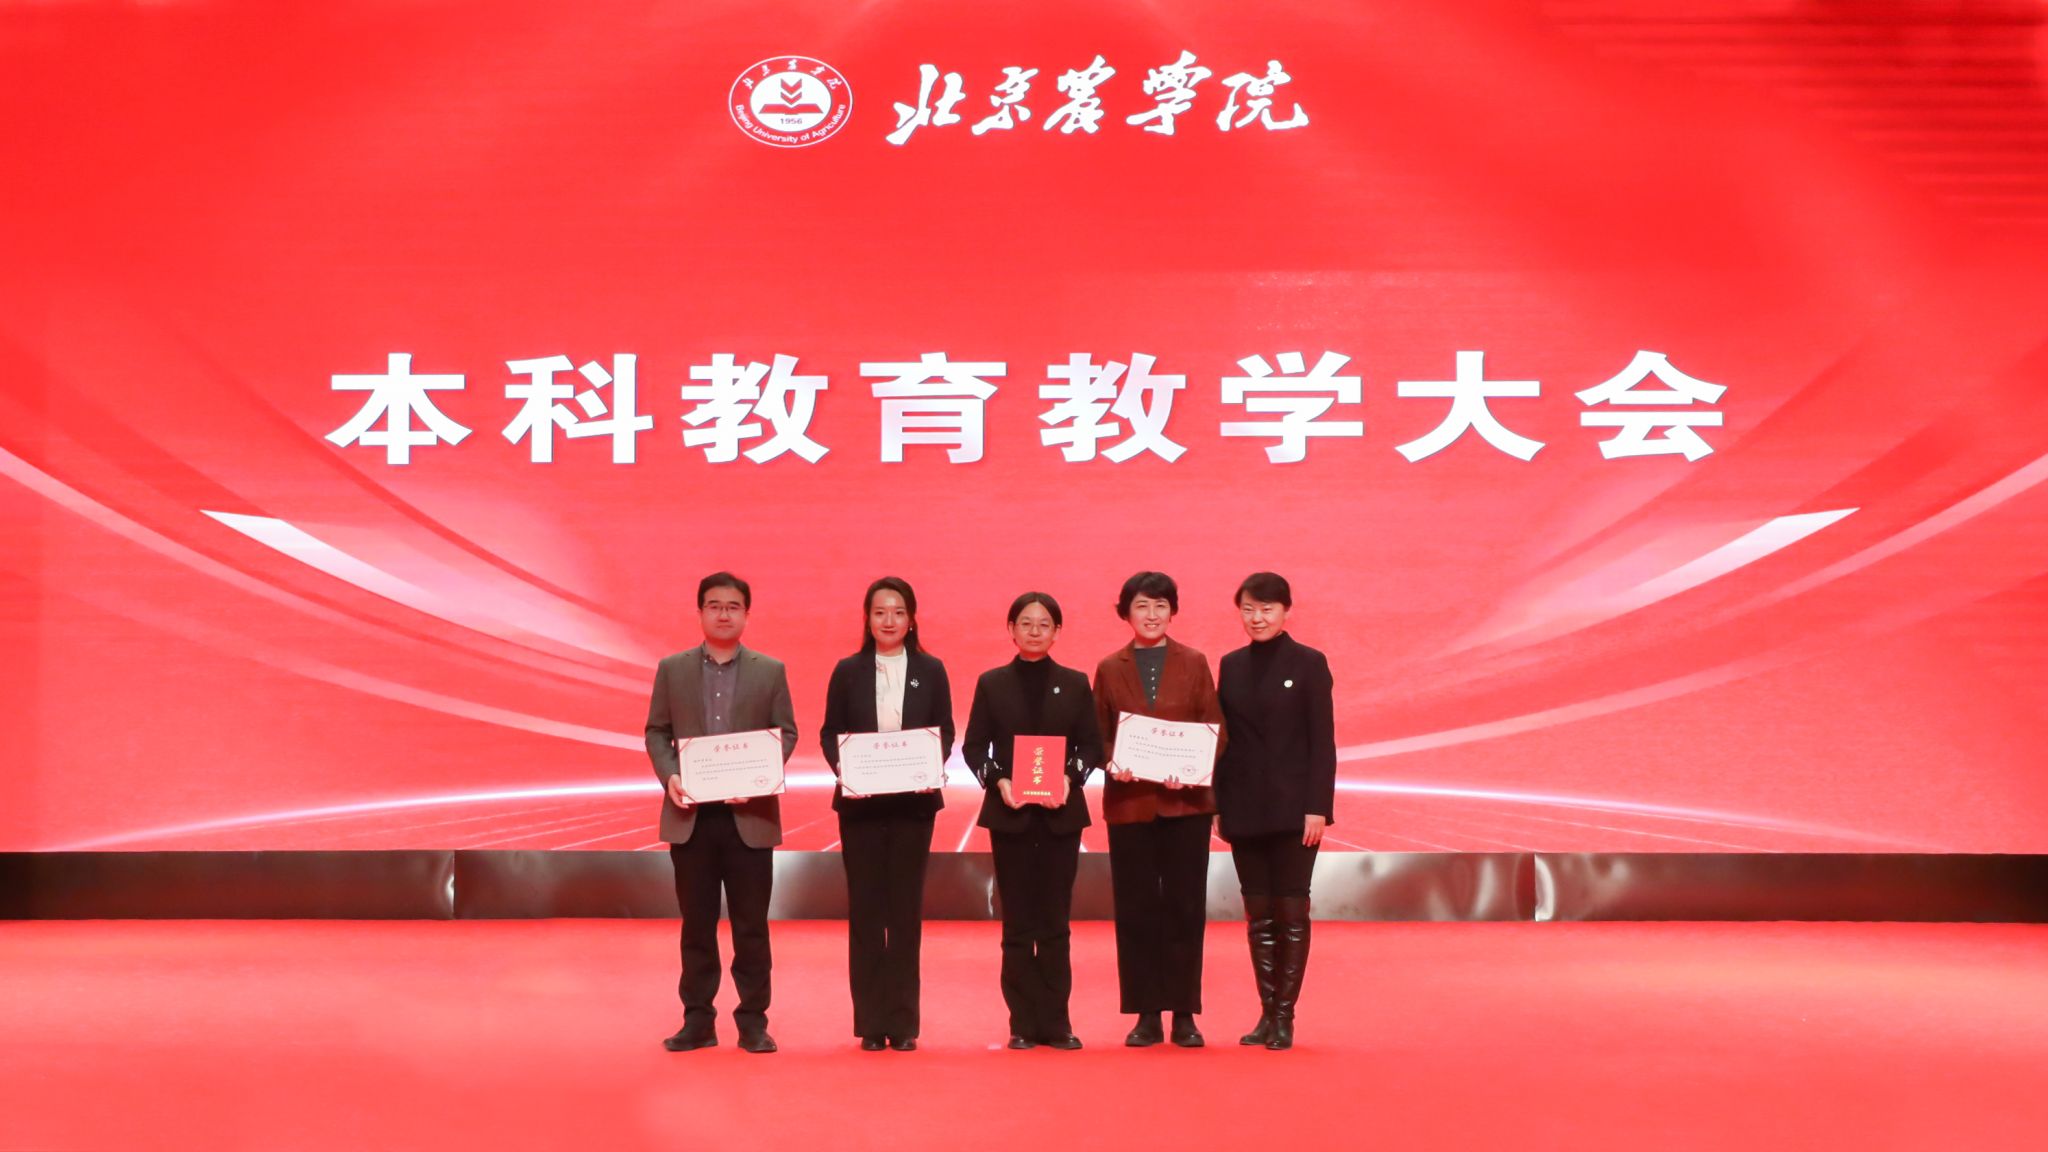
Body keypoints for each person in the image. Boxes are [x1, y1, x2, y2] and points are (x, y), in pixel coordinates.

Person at [645, 572, 798, 1055]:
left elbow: (786, 733)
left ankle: (753, 1022)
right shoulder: (672, 669)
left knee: (752, 927)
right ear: (700, 613)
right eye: (714, 606)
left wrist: (758, 779)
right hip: (691, 817)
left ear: (746, 614)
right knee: (697, 925)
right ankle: (698, 1020)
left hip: (749, 818)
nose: (723, 614)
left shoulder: (770, 670)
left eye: (733, 606)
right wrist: (670, 775)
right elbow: (656, 731)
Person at [961, 591, 1104, 1050]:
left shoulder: (1076, 683)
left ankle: (1057, 1022)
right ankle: (1022, 1022)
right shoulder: (992, 683)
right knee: (1019, 923)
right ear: (1011, 629)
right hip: (1011, 817)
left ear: (1057, 631)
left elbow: (1091, 745)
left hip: (1061, 817)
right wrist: (998, 781)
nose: (1035, 631)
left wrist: (1069, 777)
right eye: (1026, 623)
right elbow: (973, 747)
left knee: (1056, 923)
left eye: (1044, 624)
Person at [819, 577, 955, 1052]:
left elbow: (945, 731)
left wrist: (927, 766)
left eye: (898, 612)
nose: (889, 620)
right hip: (860, 808)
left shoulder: (932, 670)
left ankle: (903, 1023)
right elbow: (830, 732)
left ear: (911, 619)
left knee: (904, 913)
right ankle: (871, 1025)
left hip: (913, 808)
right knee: (866, 911)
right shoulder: (847, 671)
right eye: (880, 612)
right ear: (868, 619)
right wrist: (846, 769)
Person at [1094, 571, 1223, 1049]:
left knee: (1186, 908)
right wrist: (1114, 762)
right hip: (1131, 806)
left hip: (1185, 805)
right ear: (1125, 612)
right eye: (1142, 606)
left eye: (1160, 606)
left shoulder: (1195, 662)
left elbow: (1214, 728)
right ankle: (1146, 1013)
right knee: (1136, 909)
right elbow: (1097, 734)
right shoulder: (1110, 667)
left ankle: (1184, 1013)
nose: (1151, 615)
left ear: (1173, 611)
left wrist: (1190, 768)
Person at [1213, 571, 1334, 1052]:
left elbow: (1322, 742)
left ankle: (1285, 1016)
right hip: (1243, 807)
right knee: (1258, 915)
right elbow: (1224, 741)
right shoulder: (1231, 665)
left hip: (1294, 811)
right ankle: (1266, 1013)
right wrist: (1217, 803)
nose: (1257, 618)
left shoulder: (1309, 663)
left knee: (1291, 911)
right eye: (1248, 609)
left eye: (1266, 609)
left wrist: (1317, 807)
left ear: (1286, 611)